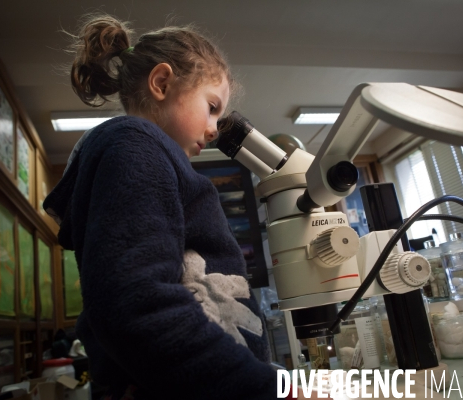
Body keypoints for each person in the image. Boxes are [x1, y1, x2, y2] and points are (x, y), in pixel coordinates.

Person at [43, 14, 285, 399]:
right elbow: (136, 305)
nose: (214, 128)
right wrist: (263, 388)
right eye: (211, 107)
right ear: (161, 83)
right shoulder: (135, 146)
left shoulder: (143, 155)